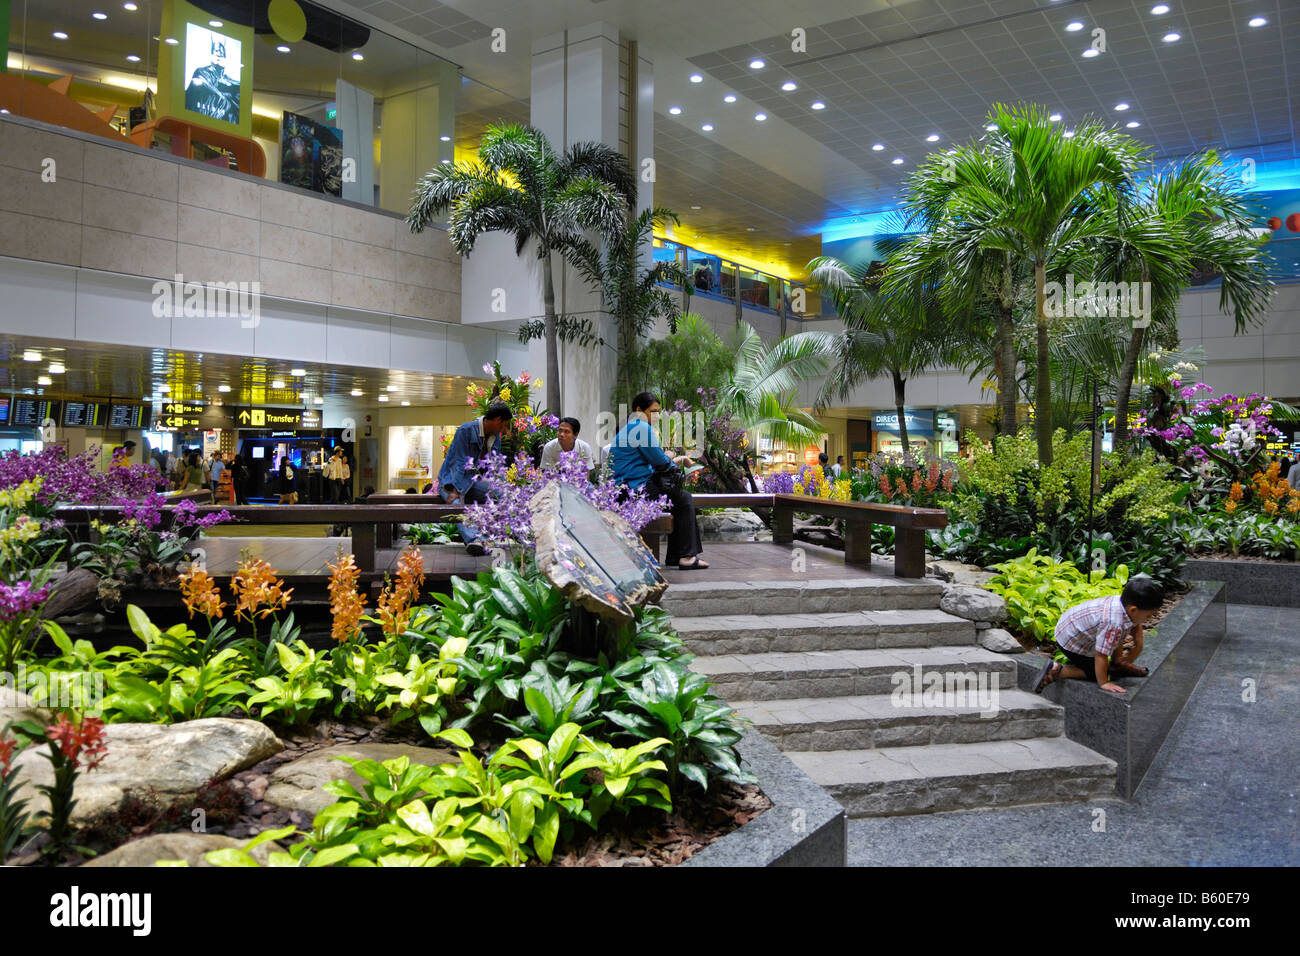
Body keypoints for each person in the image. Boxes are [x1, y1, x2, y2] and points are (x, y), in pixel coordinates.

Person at [610, 391, 707, 570]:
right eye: (653, 412)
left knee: (678, 499)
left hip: (624, 490)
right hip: (633, 490)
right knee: (684, 499)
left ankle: (676, 557)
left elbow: (653, 460)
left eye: (658, 412)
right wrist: (672, 460)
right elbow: (660, 462)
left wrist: (669, 459)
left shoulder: (630, 427)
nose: (656, 416)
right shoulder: (640, 427)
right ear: (639, 410)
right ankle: (686, 557)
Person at [1034, 576, 1163, 696]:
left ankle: (1118, 662)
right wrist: (1104, 682)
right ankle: (1057, 671)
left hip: (1068, 627)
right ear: (1133, 610)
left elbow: (1133, 624)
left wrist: (1138, 641)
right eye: (1148, 616)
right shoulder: (1113, 623)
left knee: (1121, 633)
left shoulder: (1123, 604)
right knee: (1096, 672)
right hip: (1071, 643)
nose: (1148, 619)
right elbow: (1101, 655)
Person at [437, 402, 513, 555]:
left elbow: (496, 465)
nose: (504, 431)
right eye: (504, 425)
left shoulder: (494, 437)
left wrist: (502, 487)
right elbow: (458, 462)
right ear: (497, 420)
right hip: (450, 481)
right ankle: (475, 540)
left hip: (472, 482)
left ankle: (494, 534)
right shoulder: (466, 430)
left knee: (503, 495)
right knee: (456, 503)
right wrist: (455, 490)